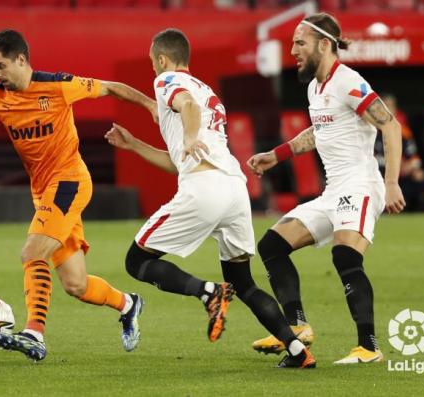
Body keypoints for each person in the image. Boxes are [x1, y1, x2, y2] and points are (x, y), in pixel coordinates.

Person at [0, 29, 158, 362]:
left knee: (32, 252)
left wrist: (151, 105)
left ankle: (34, 333)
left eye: (0, 66)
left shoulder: (57, 86)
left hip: (70, 182)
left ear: (21, 59)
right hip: (43, 191)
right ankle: (128, 304)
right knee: (76, 285)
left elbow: (110, 87)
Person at [105, 28, 315, 368]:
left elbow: (185, 107)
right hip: (234, 188)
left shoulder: (168, 81)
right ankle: (297, 351)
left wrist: (188, 136)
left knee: (136, 261)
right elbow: (180, 160)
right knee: (243, 282)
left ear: (162, 59)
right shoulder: (209, 92)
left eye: (152, 63)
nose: (153, 70)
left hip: (204, 188)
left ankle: (207, 292)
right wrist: (134, 145)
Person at [247, 13, 406, 364]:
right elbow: (320, 133)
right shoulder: (314, 87)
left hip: (361, 185)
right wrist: (277, 155)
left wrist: (392, 182)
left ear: (324, 44)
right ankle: (298, 326)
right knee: (272, 245)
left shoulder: (349, 81)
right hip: (334, 191)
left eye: (299, 43)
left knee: (345, 255)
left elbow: (390, 126)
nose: (293, 51)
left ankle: (369, 347)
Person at [374, 94, 424, 211]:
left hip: (401, 174)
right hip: (378, 174)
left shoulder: (403, 131)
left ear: (395, 109)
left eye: (389, 106)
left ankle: (414, 214)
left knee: (421, 177)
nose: (386, 110)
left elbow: (414, 158)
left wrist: (411, 167)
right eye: (383, 106)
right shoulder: (371, 131)